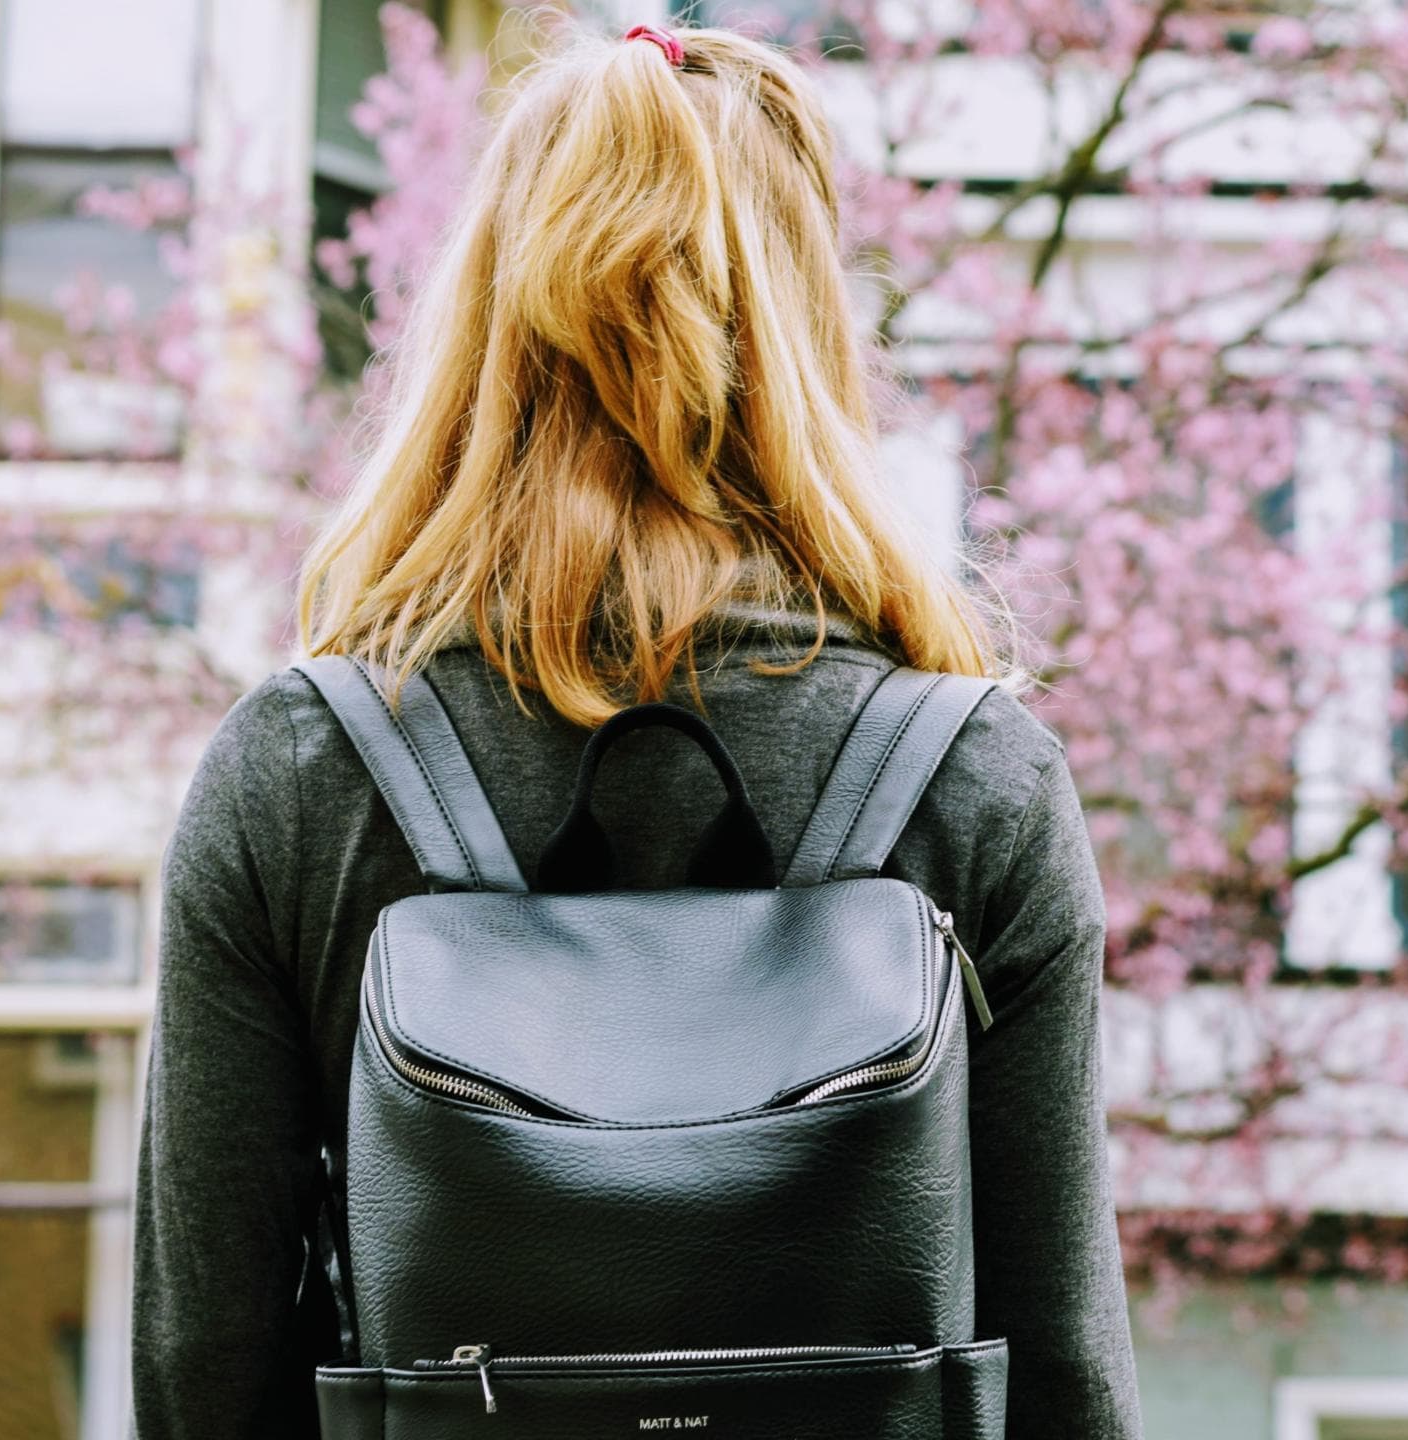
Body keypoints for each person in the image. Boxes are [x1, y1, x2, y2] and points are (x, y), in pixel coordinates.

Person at [131, 20, 1143, 1439]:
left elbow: (202, 1369)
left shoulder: (302, 776)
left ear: (481, 319)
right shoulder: (973, 781)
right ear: (806, 329)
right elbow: (1066, 1378)